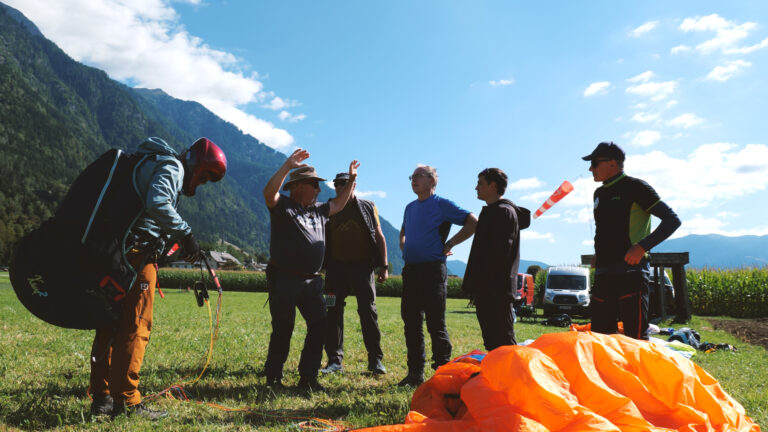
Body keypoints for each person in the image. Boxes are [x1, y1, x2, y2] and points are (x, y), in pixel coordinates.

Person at [89, 137, 227, 419]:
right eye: (204, 177)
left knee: (110, 325)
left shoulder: (149, 161)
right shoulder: (172, 166)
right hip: (136, 258)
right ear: (196, 164)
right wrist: (186, 233)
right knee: (136, 326)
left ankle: (102, 398)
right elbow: (158, 202)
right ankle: (127, 402)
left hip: (115, 254)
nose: (201, 185)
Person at [262, 149, 358, 390]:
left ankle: (308, 377)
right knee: (283, 328)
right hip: (284, 279)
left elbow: (339, 203)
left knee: (320, 326)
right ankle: (274, 377)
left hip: (312, 283)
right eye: (314, 185)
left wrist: (352, 181)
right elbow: (268, 193)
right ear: (298, 186)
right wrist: (286, 167)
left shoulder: (319, 210)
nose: (318, 190)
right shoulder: (283, 206)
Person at [584, 141, 681, 340]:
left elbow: (672, 220)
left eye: (594, 163)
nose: (590, 168)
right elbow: (606, 229)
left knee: (634, 336)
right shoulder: (599, 193)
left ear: (612, 163)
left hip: (631, 273)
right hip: (604, 272)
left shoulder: (636, 187)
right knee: (600, 337)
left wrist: (642, 247)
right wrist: (598, 252)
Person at [398, 165, 477, 386]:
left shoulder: (442, 204)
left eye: (418, 176)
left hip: (432, 271)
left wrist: (450, 243)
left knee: (435, 323)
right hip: (411, 272)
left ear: (433, 180)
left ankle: (443, 373)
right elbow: (403, 232)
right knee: (411, 324)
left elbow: (473, 222)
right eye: (411, 176)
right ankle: (415, 374)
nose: (413, 180)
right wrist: (404, 247)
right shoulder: (409, 207)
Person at [321, 172, 388, 376]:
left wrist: (383, 266)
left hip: (362, 268)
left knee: (368, 312)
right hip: (335, 270)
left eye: (345, 183)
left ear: (353, 185)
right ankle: (334, 361)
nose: (340, 187)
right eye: (337, 184)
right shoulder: (329, 207)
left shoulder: (367, 206)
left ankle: (375, 360)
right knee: (332, 312)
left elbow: (379, 236)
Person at [462, 168, 520, 351]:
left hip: (496, 291)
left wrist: (486, 286)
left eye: (480, 183)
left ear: (493, 186)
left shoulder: (503, 212)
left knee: (503, 341)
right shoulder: (492, 212)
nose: (475, 187)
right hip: (486, 290)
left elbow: (499, 255)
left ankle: (510, 378)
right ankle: (497, 377)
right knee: (492, 342)